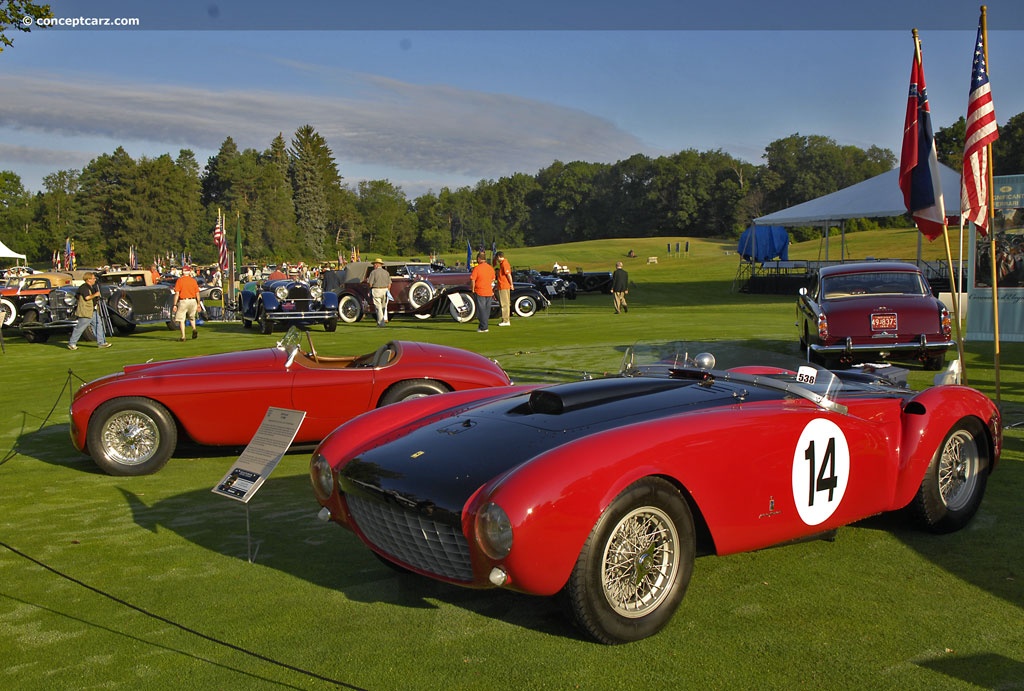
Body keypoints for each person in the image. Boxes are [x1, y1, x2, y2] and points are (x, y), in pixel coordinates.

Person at [68, 271, 111, 350]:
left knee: (98, 325)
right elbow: (87, 297)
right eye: (93, 278)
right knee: (80, 327)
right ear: (88, 279)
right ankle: (72, 343)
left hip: (92, 311)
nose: (95, 280)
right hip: (86, 311)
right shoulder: (84, 287)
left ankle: (101, 343)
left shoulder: (91, 287)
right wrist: (95, 295)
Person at [173, 266, 202, 341]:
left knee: (181, 319)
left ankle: (183, 336)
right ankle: (194, 329)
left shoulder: (180, 281)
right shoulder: (193, 281)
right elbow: (197, 293)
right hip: (193, 301)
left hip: (183, 301)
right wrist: (198, 304)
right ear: (189, 272)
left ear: (183, 271)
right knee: (192, 317)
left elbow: (177, 293)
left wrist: (175, 304)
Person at [471, 251, 495, 332]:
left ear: (478, 259)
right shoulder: (490, 268)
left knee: (480, 310)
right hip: (488, 291)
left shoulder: (477, 268)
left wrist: (473, 289)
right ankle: (483, 325)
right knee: (486, 310)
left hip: (480, 290)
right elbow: (493, 279)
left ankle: (484, 326)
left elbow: (473, 280)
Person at [367, 258, 392, 327]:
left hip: (376, 290)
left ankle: (381, 323)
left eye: (374, 264)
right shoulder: (386, 272)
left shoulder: (373, 272)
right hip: (385, 290)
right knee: (383, 307)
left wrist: (370, 289)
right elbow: (389, 284)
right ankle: (380, 322)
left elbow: (370, 283)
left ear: (377, 265)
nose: (373, 266)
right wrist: (388, 290)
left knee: (378, 307)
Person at [494, 250, 513, 326]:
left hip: (504, 285)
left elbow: (508, 275)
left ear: (499, 257)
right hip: (504, 285)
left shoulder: (504, 264)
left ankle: (505, 320)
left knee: (504, 304)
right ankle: (505, 319)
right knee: (506, 303)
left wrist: (511, 284)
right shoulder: (503, 263)